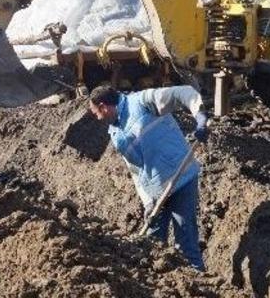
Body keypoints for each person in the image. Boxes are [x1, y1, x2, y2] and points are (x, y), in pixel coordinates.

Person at [88, 84, 209, 271]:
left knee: (186, 242)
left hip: (181, 177)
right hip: (155, 192)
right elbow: (136, 171)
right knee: (150, 246)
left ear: (103, 106)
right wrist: (148, 203)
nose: (97, 117)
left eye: (96, 112)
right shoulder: (115, 132)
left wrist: (199, 117)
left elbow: (182, 92)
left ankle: (200, 283)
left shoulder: (142, 101)